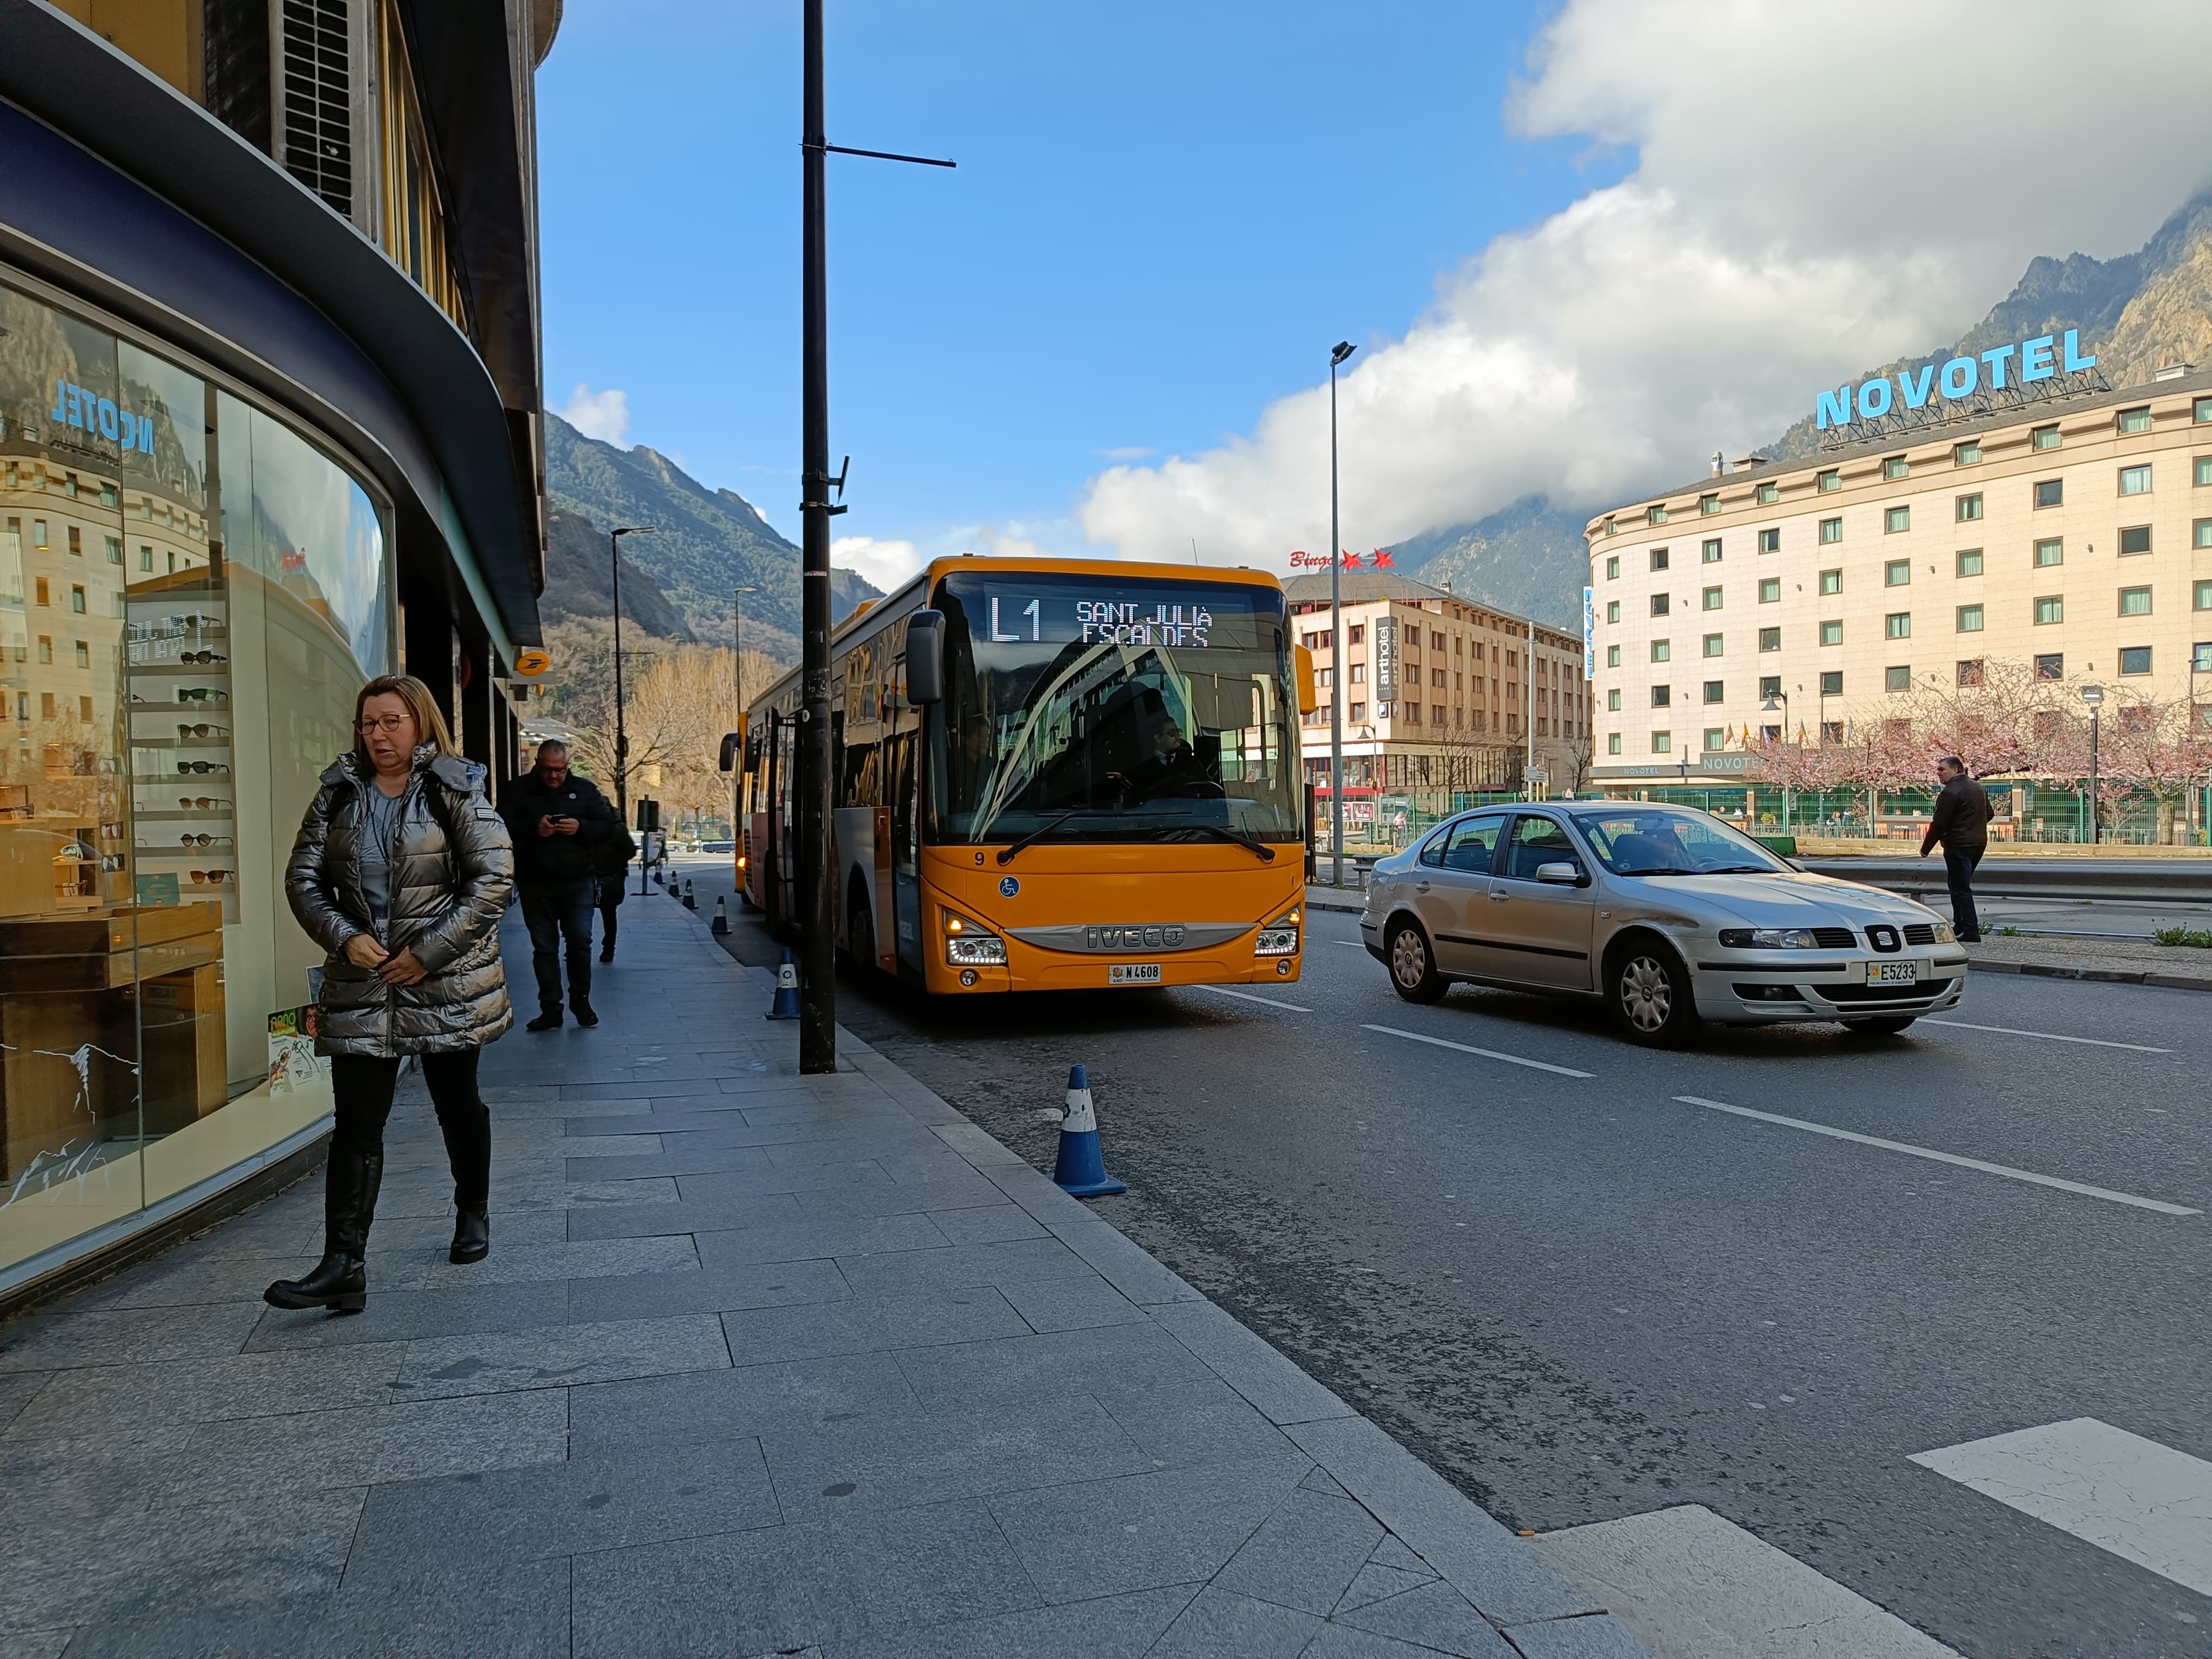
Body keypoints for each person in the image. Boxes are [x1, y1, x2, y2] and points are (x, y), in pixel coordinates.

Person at [266, 675, 514, 1312]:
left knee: (457, 1105)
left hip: (444, 981)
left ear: (421, 722)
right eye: (368, 723)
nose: (378, 734)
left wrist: (427, 953)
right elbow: (302, 879)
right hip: (362, 981)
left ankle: (473, 1210)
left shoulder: (454, 787)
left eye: (391, 721)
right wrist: (345, 937)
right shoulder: (338, 793)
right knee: (356, 1125)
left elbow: (493, 879)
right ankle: (343, 1265)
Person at [499, 739, 615, 1029]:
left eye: (560, 770)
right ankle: (551, 1008)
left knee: (580, 942)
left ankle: (581, 1002)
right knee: (544, 948)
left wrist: (580, 827)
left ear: (568, 766)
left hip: (578, 880)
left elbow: (608, 827)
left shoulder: (585, 790)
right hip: (535, 881)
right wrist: (534, 828)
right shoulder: (517, 790)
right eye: (548, 770)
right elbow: (498, 828)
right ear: (537, 764)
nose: (554, 776)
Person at [1920, 753, 1995, 942]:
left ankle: (1970, 929)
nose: (1939, 773)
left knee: (1960, 887)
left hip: (1958, 844)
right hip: (1978, 843)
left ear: (1956, 770)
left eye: (1942, 770)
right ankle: (1960, 925)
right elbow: (1990, 813)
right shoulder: (1977, 788)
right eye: (1937, 770)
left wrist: (1925, 849)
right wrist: (1972, 826)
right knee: (1958, 884)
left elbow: (1939, 824)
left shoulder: (1950, 792)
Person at [594, 812, 639, 963]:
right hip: (610, 876)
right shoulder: (616, 826)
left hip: (594, 876)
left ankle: (577, 947)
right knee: (609, 915)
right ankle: (608, 949)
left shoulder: (585, 824)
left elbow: (630, 850)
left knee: (581, 914)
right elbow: (630, 851)